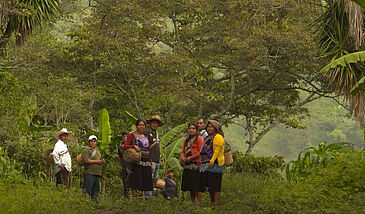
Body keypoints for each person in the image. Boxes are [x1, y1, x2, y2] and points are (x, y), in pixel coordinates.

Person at [123, 119, 153, 199]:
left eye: (143, 125)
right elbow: (125, 146)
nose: (141, 126)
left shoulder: (146, 137)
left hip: (146, 161)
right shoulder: (132, 135)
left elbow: (149, 150)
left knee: (145, 179)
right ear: (136, 126)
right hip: (137, 161)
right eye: (139, 125)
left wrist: (151, 163)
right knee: (135, 179)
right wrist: (133, 146)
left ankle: (142, 198)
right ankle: (135, 198)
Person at [198, 120, 225, 206]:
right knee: (210, 185)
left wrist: (212, 161)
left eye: (211, 127)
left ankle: (215, 203)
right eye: (208, 127)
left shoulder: (217, 137)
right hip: (207, 163)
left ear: (215, 128)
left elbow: (217, 151)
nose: (209, 129)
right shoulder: (208, 137)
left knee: (215, 185)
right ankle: (212, 203)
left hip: (215, 164)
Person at [180, 122, 204, 204]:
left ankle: (198, 202)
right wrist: (183, 157)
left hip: (196, 164)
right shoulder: (186, 140)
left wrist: (190, 158)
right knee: (191, 184)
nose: (191, 130)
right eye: (190, 128)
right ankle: (192, 201)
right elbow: (183, 151)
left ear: (196, 130)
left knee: (197, 184)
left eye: (193, 129)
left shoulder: (199, 139)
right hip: (188, 165)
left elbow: (201, 152)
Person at [145, 115, 163, 198]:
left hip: (157, 160)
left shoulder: (157, 134)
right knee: (149, 178)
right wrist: (149, 160)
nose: (155, 125)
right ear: (150, 124)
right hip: (150, 160)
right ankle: (148, 197)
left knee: (155, 179)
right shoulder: (147, 133)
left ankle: (152, 197)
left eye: (156, 123)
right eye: (153, 123)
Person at [82, 135, 105, 202]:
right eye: (91, 141)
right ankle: (85, 203)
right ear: (89, 142)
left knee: (96, 190)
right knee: (87, 190)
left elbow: (99, 159)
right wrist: (98, 161)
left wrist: (102, 161)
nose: (93, 142)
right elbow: (87, 161)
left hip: (97, 173)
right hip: (89, 173)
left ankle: (94, 204)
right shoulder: (86, 150)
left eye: (94, 141)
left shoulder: (97, 151)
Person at [118, 131, 130, 198]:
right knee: (125, 183)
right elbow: (123, 153)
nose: (125, 138)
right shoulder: (120, 147)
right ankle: (126, 198)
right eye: (124, 136)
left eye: (127, 136)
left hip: (132, 167)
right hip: (124, 166)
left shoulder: (132, 145)